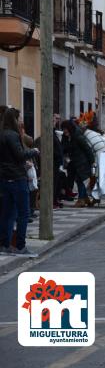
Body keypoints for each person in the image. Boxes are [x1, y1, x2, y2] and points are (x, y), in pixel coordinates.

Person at [0, 108, 39, 257]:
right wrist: (34, 151)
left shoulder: (2, 135)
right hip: (17, 178)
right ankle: (20, 246)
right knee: (23, 213)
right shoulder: (13, 135)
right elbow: (20, 155)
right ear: (14, 120)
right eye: (19, 118)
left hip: (5, 178)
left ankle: (5, 244)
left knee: (7, 213)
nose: (21, 120)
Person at [61, 120, 95, 208]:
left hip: (82, 161)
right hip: (73, 162)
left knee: (81, 180)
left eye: (66, 129)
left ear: (70, 128)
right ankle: (85, 198)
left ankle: (81, 200)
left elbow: (87, 148)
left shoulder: (77, 136)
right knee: (78, 180)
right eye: (63, 129)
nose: (64, 131)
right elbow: (63, 147)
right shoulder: (65, 137)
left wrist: (92, 161)